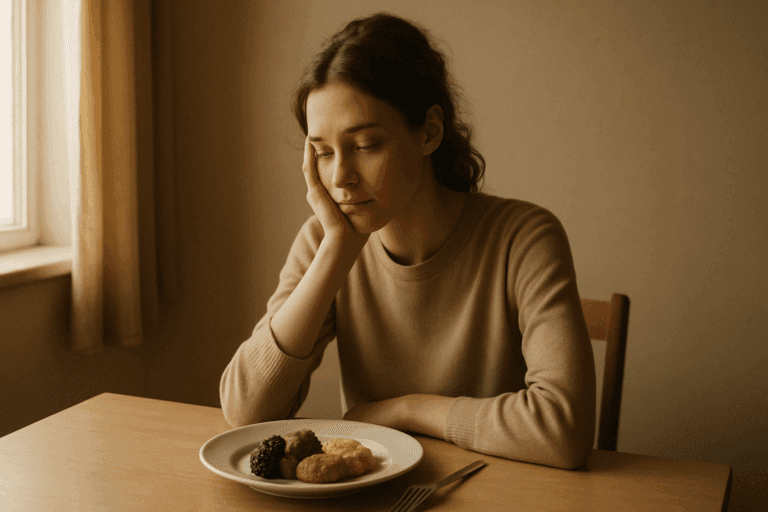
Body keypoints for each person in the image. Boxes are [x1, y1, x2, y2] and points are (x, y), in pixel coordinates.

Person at [220, 12, 596, 470]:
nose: (340, 177)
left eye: (366, 145)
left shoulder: (524, 237)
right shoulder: (325, 241)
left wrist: (406, 409)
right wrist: (337, 252)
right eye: (322, 152)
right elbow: (244, 411)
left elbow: (564, 431)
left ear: (429, 132)